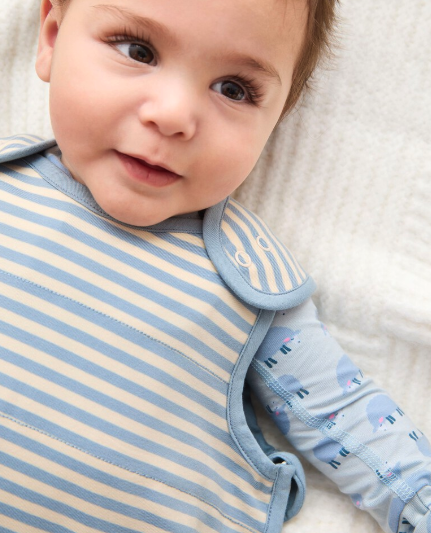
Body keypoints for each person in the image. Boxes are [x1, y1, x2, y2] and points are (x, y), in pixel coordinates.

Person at [0, 0, 429, 532]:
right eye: (138, 51)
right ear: (51, 36)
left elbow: (356, 428)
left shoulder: (249, 278)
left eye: (234, 89)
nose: (173, 115)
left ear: (277, 120)